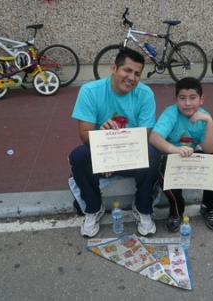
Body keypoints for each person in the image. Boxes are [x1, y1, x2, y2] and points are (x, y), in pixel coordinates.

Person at [68, 48, 161, 237]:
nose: (131, 77)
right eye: (127, 70)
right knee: (78, 156)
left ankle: (143, 208)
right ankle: (93, 207)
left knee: (152, 153)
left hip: (130, 155)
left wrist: (114, 157)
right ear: (113, 68)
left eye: (137, 73)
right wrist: (105, 151)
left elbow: (143, 137)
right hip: (101, 154)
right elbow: (84, 136)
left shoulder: (145, 94)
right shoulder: (90, 91)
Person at [149, 77, 213, 232]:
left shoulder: (204, 116)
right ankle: (176, 211)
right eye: (182, 98)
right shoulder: (171, 113)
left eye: (193, 98)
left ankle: (208, 208)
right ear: (175, 100)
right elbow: (154, 137)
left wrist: (209, 121)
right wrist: (174, 150)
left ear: (201, 99)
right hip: (173, 157)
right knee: (163, 167)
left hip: (193, 156)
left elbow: (209, 149)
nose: (188, 103)